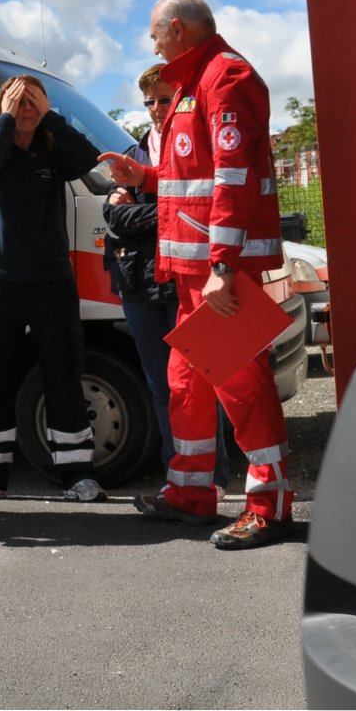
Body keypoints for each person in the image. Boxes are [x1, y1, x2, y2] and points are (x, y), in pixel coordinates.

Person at [100, 0, 295, 550]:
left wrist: (224, 264)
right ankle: (188, 493)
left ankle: (270, 503)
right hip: (193, 272)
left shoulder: (226, 77)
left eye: (155, 33)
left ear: (178, 29)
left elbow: (232, 179)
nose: (153, 43)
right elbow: (194, 182)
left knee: (242, 384)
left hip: (215, 270)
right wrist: (145, 178)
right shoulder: (193, 83)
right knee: (186, 383)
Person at [0, 74, 108, 504]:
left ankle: (78, 476)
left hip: (52, 284)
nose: (26, 107)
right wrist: (6, 120)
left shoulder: (53, 151)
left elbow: (88, 156)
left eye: (33, 101)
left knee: (63, 375)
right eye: (18, 100)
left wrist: (52, 117)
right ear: (3, 105)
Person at [102, 64, 230, 491]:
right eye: (150, 102)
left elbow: (206, 210)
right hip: (138, 285)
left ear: (181, 101)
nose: (157, 109)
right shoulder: (134, 155)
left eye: (164, 99)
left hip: (186, 284)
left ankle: (212, 477)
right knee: (162, 387)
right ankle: (177, 475)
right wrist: (170, 213)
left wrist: (146, 208)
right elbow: (114, 218)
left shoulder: (195, 148)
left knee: (202, 382)